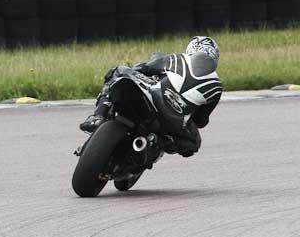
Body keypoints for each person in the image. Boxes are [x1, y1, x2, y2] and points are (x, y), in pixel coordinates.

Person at [79, 36, 222, 157]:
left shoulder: (177, 58)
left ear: (191, 50)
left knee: (117, 72)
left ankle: (98, 116)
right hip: (175, 119)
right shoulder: (216, 86)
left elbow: (145, 68)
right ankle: (157, 141)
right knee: (194, 144)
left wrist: (136, 71)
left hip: (156, 97)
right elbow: (201, 121)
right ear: (215, 57)